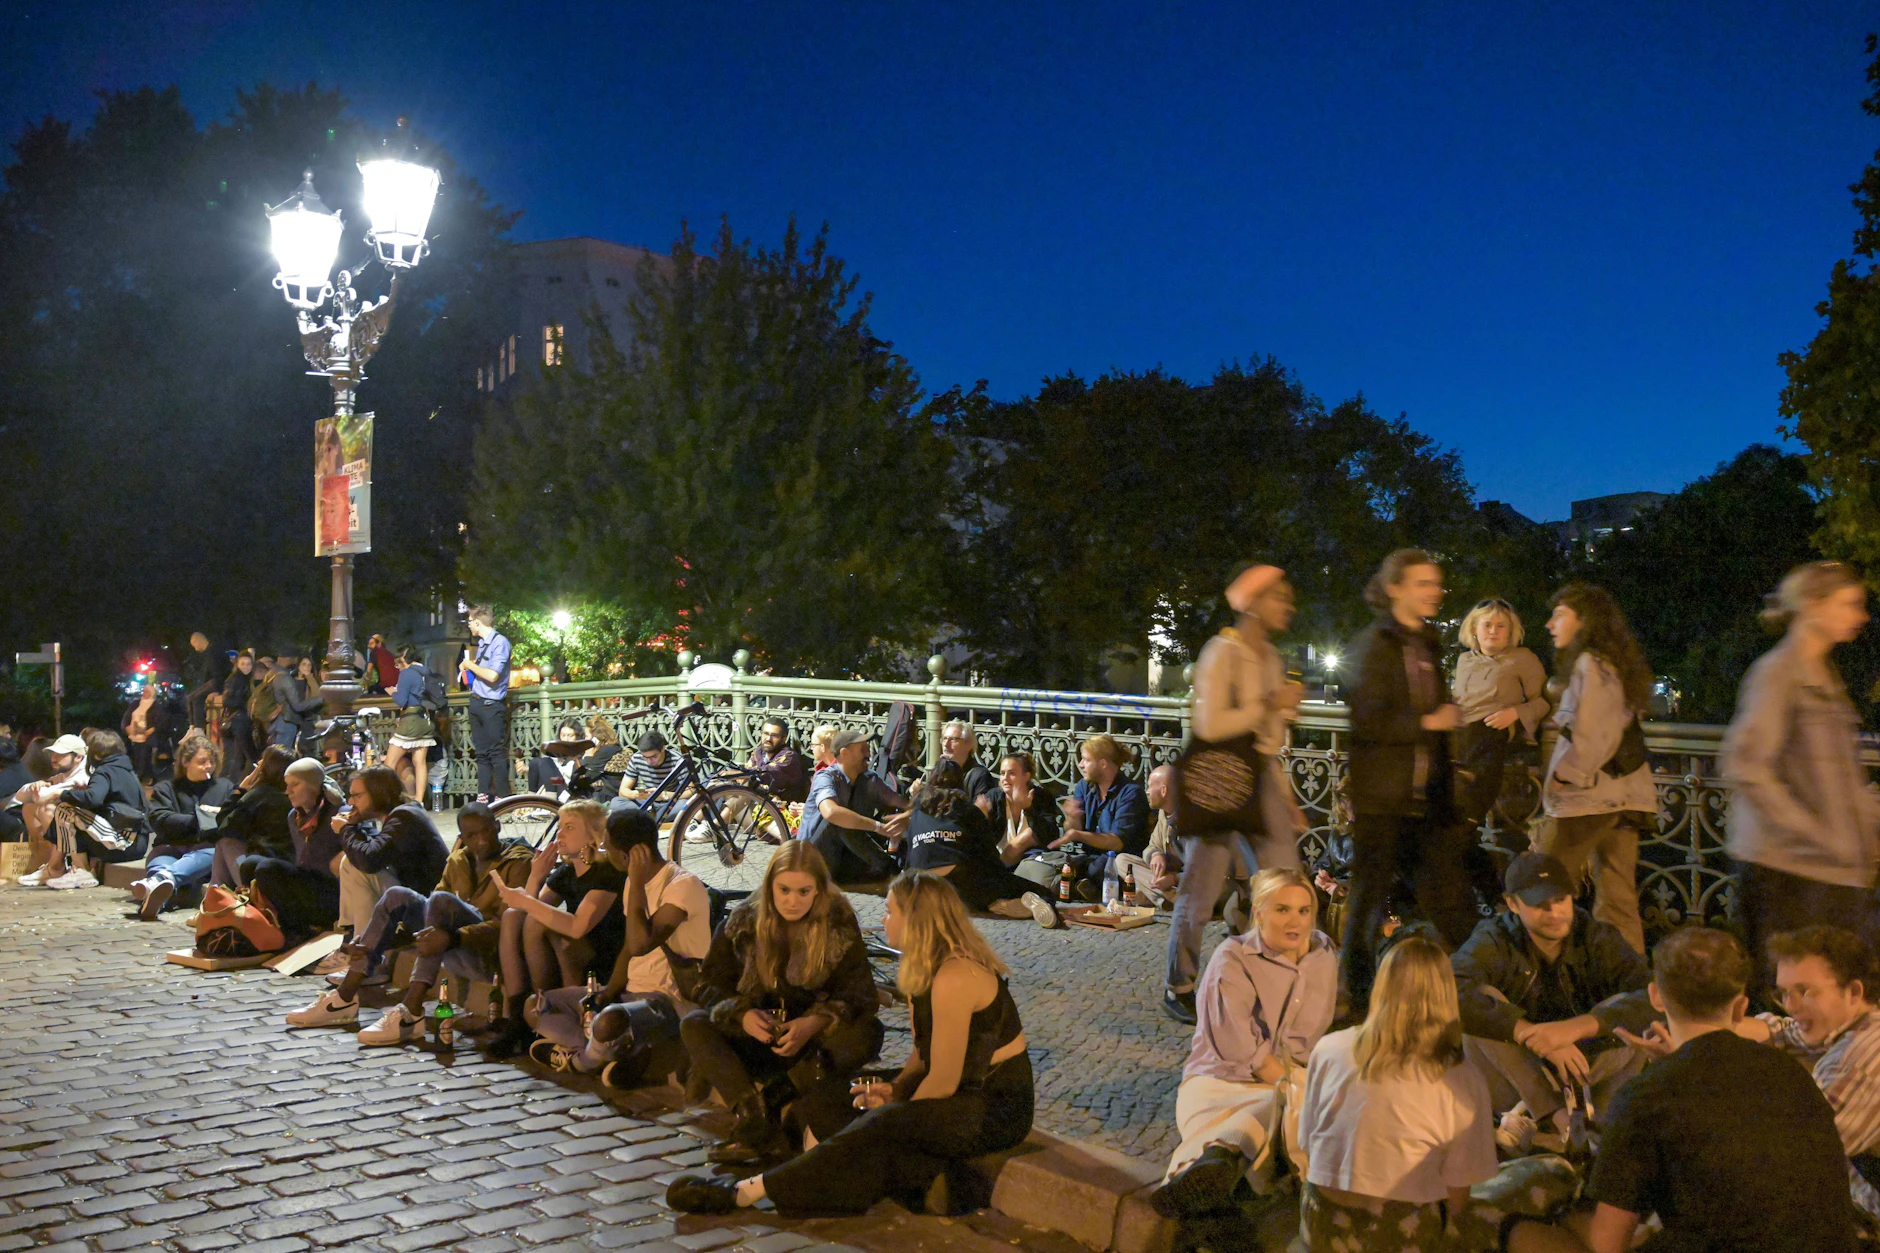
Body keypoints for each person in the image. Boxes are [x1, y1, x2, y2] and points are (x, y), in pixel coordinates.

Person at [668, 868, 1028, 1217]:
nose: (884, 920)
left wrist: (897, 1110)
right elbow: (923, 1052)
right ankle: (917, 1178)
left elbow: (943, 1082)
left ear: (917, 920)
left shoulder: (956, 976)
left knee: (880, 1124)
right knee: (825, 1102)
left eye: (890, 911)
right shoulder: (924, 968)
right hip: (952, 1092)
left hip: (991, 1104)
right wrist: (897, 1087)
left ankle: (748, 1192)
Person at [1506, 928, 1859, 1253]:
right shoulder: (1792, 1074)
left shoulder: (1645, 1095)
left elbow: (1607, 1243)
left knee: (1522, 1232)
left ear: (1656, 997)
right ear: (1741, 1007)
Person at [1723, 561, 1880, 995]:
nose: (1861, 616)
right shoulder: (1778, 673)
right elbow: (1746, 766)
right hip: (1789, 874)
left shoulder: (1821, 675)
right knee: (1795, 1002)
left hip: (1829, 870)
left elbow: (1840, 778)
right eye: (1850, 604)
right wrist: (1814, 832)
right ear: (1812, 606)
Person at [677, 841, 884, 1165]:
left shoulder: (838, 924)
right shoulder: (745, 922)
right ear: (770, 884)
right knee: (694, 1024)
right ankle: (751, 1113)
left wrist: (817, 1021)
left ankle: (772, 1102)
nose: (793, 901)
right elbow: (707, 986)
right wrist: (741, 1014)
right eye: (784, 890)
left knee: (868, 1032)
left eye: (804, 891)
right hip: (756, 1039)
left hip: (809, 1049)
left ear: (818, 889)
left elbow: (861, 996)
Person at [1166, 564, 1307, 1024]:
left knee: (1285, 878)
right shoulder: (1221, 652)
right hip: (1216, 778)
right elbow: (1209, 726)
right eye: (1279, 596)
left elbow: (1266, 742)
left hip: (1258, 776)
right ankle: (1180, 984)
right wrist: (1270, 703)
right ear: (1252, 601)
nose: (1289, 605)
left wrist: (1285, 798)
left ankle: (1278, 977)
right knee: (1201, 888)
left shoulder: (1269, 657)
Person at [1295, 936, 1498, 1252]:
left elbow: (1307, 1142)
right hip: (1397, 1231)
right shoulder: (1460, 1080)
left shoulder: (1329, 1048)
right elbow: (1459, 1195)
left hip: (1322, 1220)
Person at [1156, 868, 1337, 1218]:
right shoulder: (1233, 959)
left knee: (1276, 1107)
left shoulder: (1324, 956)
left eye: (1303, 911)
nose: (1295, 921)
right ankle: (1214, 1168)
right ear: (1259, 912)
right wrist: (1302, 1089)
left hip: (1280, 1082)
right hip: (1222, 1081)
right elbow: (1247, 1055)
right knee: (1281, 1107)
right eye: (1281, 909)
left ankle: (1213, 1162)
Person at [1341, 549, 1476, 1014]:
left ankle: (1475, 990)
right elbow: (1368, 721)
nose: (1435, 592)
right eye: (1424, 583)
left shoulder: (1427, 644)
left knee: (1451, 898)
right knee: (1367, 900)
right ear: (1395, 587)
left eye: (1437, 583)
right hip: (1383, 798)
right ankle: (1356, 1002)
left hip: (1427, 799)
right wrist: (1431, 722)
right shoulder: (1375, 644)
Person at [1680, 925, 1880, 1222]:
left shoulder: (1858, 1062)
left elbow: (1792, 1158)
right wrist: (1701, 1031)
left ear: (1853, 992)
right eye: (1784, 993)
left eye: (1804, 992)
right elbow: (1785, 1032)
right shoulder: (1854, 1023)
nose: (1791, 1006)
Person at [287, 802, 533, 1040]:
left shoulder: (518, 862)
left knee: (439, 900)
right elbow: (432, 917)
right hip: (451, 946)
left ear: (498, 827)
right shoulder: (459, 860)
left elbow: (508, 925)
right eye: (471, 836)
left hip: (486, 955)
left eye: (486, 832)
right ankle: (344, 997)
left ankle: (412, 1009)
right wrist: (377, 942)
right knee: (396, 896)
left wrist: (454, 936)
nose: (480, 840)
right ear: (462, 837)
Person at [1450, 851, 1653, 1134]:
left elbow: (1652, 994)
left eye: (1561, 900)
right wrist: (1529, 1034)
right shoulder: (1495, 938)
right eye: (1540, 905)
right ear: (1512, 904)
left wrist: (1573, 1029)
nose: (1555, 913)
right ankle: (1558, 1120)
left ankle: (1599, 1127)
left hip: (1583, 1068)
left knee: (1630, 1011)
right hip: (1516, 1078)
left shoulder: (1595, 936)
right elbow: (1449, 989)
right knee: (1481, 1000)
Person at [526, 806, 712, 1086]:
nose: (603, 852)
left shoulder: (681, 885)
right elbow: (628, 948)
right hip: (629, 995)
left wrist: (636, 883)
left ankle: (581, 1061)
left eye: (608, 847)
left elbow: (640, 944)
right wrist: (608, 992)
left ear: (629, 855)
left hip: (668, 1001)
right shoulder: (632, 883)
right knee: (536, 1006)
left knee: (609, 1021)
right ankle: (609, 1053)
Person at [1535, 584, 1658, 956]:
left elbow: (1593, 735)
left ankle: (1539, 976)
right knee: (1618, 899)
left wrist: (1564, 776)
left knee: (1541, 887)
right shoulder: (1612, 664)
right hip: (1623, 797)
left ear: (1583, 620)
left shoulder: (1591, 664)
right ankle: (1627, 986)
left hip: (1588, 799)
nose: (1549, 623)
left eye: (1559, 614)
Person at [486, 799, 627, 1059]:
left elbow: (577, 927)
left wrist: (527, 899)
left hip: (604, 957)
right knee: (511, 916)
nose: (560, 833)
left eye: (570, 828)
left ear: (593, 836)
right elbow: (526, 912)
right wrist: (535, 877)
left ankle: (539, 1010)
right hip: (570, 951)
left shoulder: (606, 872)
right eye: (560, 827)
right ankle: (519, 1015)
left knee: (537, 919)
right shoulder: (565, 872)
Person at [905, 759, 1057, 928]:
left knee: (971, 893)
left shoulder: (918, 810)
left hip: (922, 880)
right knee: (1044, 894)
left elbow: (910, 852)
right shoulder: (967, 809)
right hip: (960, 877)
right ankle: (1001, 902)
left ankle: (988, 903)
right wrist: (982, 816)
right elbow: (988, 854)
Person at [1451, 598, 1549, 831]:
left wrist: (1515, 713)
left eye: (1500, 625)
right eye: (1487, 625)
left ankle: (1470, 816)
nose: (1493, 631)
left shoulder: (1523, 659)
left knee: (1483, 742)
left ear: (1510, 631)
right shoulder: (1464, 660)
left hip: (1494, 728)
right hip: (1461, 731)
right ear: (1474, 629)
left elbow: (1544, 701)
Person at [333, 767, 448, 939]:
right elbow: (371, 853)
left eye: (357, 795)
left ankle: (365, 945)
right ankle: (357, 937)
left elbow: (368, 860)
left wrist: (346, 829)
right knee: (349, 862)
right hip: (411, 896)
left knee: (355, 866)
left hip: (427, 907)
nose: (350, 802)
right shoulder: (401, 815)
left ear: (378, 793)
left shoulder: (404, 818)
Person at [239, 757, 346, 942]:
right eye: (287, 785)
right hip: (308, 882)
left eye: (294, 785)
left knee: (267, 869)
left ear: (313, 785)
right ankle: (274, 923)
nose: (288, 791)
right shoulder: (294, 816)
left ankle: (299, 931)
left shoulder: (339, 813)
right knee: (249, 864)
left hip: (332, 892)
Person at [134, 730, 236, 919]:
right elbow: (159, 819)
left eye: (212, 761)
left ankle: (160, 883)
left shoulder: (225, 787)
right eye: (202, 762)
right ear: (186, 762)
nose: (208, 767)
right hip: (170, 848)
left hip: (204, 851)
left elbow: (233, 818)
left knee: (210, 854)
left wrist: (216, 813)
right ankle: (158, 895)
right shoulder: (166, 788)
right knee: (159, 864)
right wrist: (197, 818)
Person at [797, 729, 911, 884]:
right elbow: (831, 813)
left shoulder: (869, 780)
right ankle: (890, 869)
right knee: (841, 820)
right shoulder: (826, 777)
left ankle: (890, 869)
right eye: (863, 749)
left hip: (845, 859)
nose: (869, 755)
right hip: (812, 860)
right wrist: (877, 826)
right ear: (844, 753)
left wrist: (906, 816)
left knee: (852, 822)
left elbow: (905, 805)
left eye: (868, 749)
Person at [44, 728, 149, 889]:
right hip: (137, 845)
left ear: (97, 755)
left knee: (65, 809)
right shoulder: (125, 770)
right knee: (74, 810)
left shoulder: (104, 771)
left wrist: (62, 793)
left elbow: (94, 798)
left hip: (122, 845)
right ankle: (60, 867)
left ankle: (79, 870)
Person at [1053, 734, 1150, 900]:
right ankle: (1085, 888)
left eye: (1086, 760)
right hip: (1091, 857)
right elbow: (1073, 831)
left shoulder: (1131, 793)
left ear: (1103, 763)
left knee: (1099, 867)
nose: (1081, 765)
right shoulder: (1085, 786)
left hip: (1118, 860)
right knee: (1064, 867)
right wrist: (1072, 818)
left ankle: (1091, 889)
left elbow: (1116, 842)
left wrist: (1078, 834)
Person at [210, 744, 297, 886]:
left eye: (263, 760)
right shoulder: (291, 794)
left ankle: (232, 894)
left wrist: (240, 791)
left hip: (261, 866)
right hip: (287, 861)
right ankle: (215, 895)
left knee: (226, 841)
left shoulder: (259, 795)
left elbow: (223, 825)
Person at [12, 735, 92, 887]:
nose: (54, 758)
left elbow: (42, 797)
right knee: (29, 807)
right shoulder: (64, 775)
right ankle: (50, 864)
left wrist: (42, 788)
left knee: (48, 809)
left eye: (61, 755)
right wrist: (36, 785)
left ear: (78, 757)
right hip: (75, 830)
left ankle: (57, 867)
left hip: (92, 831)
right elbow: (21, 796)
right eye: (54, 754)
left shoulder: (83, 776)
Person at [1111, 763, 1185, 910]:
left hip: (1191, 881)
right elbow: (1152, 845)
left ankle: (1159, 897)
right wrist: (1155, 855)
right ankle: (1166, 898)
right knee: (1122, 861)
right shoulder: (1165, 813)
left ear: (1163, 790)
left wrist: (1173, 879)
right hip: (1170, 878)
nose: (1147, 791)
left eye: (1151, 786)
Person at [462, 605, 512, 802]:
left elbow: (492, 675)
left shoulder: (500, 643)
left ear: (477, 622)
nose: (468, 625)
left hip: (492, 705)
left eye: (469, 621)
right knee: (481, 753)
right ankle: (483, 796)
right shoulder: (482, 643)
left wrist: (469, 665)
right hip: (476, 702)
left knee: (496, 753)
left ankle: (502, 798)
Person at [992, 750, 1064, 889]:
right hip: (997, 862)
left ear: (1026, 776)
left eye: (1012, 773)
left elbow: (1050, 835)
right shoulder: (994, 797)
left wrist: (1028, 809)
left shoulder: (1041, 797)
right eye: (1002, 773)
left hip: (1030, 861)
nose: (1005, 778)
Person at [383, 646, 438, 805]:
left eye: (397, 663)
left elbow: (401, 700)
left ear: (403, 659)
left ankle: (386, 801)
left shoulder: (407, 673)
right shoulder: (425, 671)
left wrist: (392, 692)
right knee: (419, 763)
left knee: (389, 764)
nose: (397, 667)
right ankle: (419, 801)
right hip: (425, 720)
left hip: (411, 722)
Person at [938, 721, 998, 816]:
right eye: (944, 739)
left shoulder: (979, 775)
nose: (946, 744)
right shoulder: (941, 769)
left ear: (968, 745)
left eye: (953, 739)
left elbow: (979, 816)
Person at [748, 716, 810, 805]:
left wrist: (738, 775)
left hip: (783, 810)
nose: (768, 739)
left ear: (783, 739)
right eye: (765, 733)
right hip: (759, 802)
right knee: (730, 793)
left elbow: (766, 772)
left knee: (743, 796)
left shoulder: (789, 756)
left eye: (774, 736)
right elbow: (749, 775)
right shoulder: (758, 752)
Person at [271, 654, 324, 753]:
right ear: (298, 666)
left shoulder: (312, 680)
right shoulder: (290, 680)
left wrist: (310, 678)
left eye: (309, 665)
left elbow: (316, 696)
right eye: (304, 664)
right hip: (292, 720)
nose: (307, 667)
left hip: (308, 722)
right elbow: (297, 704)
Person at [121, 679, 169, 785]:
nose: (145, 694)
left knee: (144, 756)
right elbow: (127, 717)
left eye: (147, 692)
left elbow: (160, 721)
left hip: (147, 736)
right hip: (133, 735)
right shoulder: (135, 704)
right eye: (144, 691)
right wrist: (127, 727)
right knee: (135, 756)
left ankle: (141, 776)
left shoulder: (155, 706)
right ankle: (138, 776)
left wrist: (151, 730)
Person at [218, 652, 256, 782]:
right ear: (237, 664)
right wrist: (245, 703)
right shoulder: (237, 679)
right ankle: (232, 785)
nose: (246, 667)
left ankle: (224, 784)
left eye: (249, 664)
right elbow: (227, 701)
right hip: (239, 722)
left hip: (235, 722)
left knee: (232, 756)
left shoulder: (240, 678)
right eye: (243, 664)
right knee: (240, 757)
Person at [528, 718, 587, 800]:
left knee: (546, 761)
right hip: (555, 784)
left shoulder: (581, 755)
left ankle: (551, 801)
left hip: (568, 792)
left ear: (577, 737)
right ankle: (530, 800)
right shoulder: (558, 754)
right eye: (563, 735)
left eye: (570, 736)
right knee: (535, 762)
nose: (566, 739)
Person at [616, 730, 674, 806]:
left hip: (669, 802)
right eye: (645, 757)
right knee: (617, 802)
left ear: (663, 749)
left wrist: (663, 795)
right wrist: (635, 795)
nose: (649, 761)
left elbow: (691, 791)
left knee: (682, 805)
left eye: (654, 757)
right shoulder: (637, 758)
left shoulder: (676, 760)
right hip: (647, 801)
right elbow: (622, 790)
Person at [180, 631, 223, 730]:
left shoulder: (213, 652)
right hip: (213, 681)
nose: (195, 648)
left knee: (196, 698)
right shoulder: (210, 653)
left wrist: (218, 690)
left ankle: (198, 727)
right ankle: (192, 726)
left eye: (194, 645)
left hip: (216, 682)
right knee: (190, 697)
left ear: (197, 641)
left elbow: (217, 671)